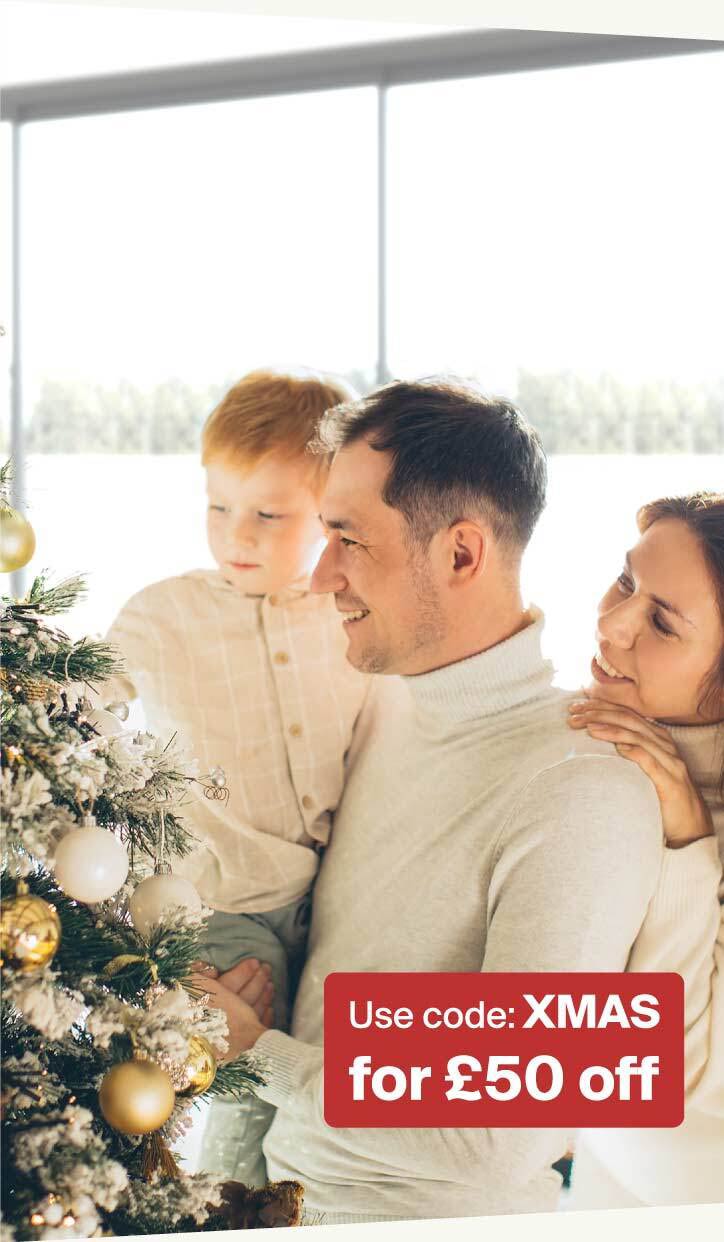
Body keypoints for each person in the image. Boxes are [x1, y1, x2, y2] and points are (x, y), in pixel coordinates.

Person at [198, 377, 667, 1224]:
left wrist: (255, 1053)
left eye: (348, 537)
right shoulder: (382, 704)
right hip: (279, 1200)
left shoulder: (580, 788)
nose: (319, 575)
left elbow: (507, 1128)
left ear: (459, 554)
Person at [95, 369, 370, 1183]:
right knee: (242, 1079)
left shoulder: (350, 613)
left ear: (330, 515)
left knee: (295, 1082)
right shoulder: (164, 614)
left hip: (326, 899)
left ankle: (268, 1201)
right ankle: (222, 1207)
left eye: (268, 514)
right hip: (217, 899)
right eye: (219, 507)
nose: (235, 535)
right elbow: (82, 708)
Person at [565, 491, 724, 1209]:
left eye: (661, 622)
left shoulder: (679, 807)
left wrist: (689, 841)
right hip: (604, 1177)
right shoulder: (603, 732)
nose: (612, 623)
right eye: (626, 582)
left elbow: (665, 1067)